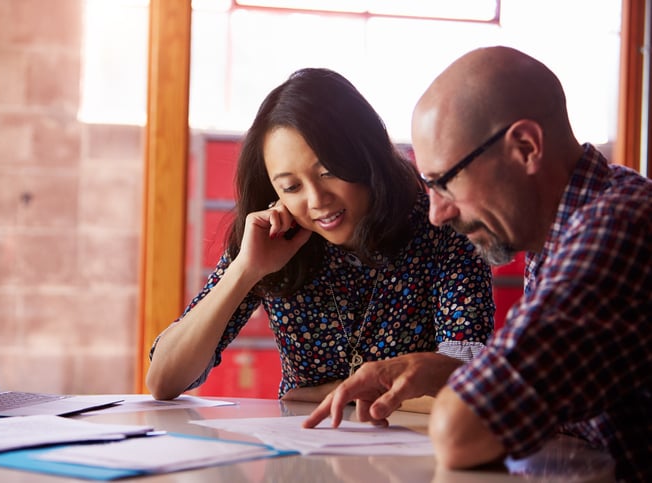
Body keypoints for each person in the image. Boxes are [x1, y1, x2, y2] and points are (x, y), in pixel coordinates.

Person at [303, 47, 651, 482]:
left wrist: (468, 393)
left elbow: (461, 431)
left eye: (445, 182)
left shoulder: (616, 231)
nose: (436, 214)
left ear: (526, 147)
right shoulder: (569, 224)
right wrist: (447, 371)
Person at [145, 67, 495, 404]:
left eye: (328, 172)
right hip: (300, 458)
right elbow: (164, 381)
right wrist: (244, 271)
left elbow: (469, 386)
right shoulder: (271, 237)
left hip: (417, 454)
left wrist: (336, 393)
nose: (316, 201)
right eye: (291, 186)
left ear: (365, 156)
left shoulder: (442, 226)